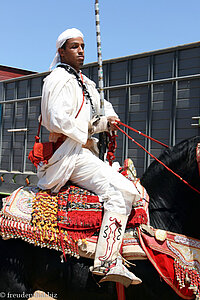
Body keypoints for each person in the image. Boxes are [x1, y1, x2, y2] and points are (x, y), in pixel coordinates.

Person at [37, 28, 142, 287]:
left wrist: (111, 117)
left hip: (87, 152)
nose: (81, 51)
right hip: (68, 154)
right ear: (61, 51)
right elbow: (56, 118)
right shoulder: (58, 79)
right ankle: (107, 261)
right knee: (123, 191)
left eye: (83, 46)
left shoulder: (87, 83)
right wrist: (97, 126)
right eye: (74, 46)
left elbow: (101, 107)